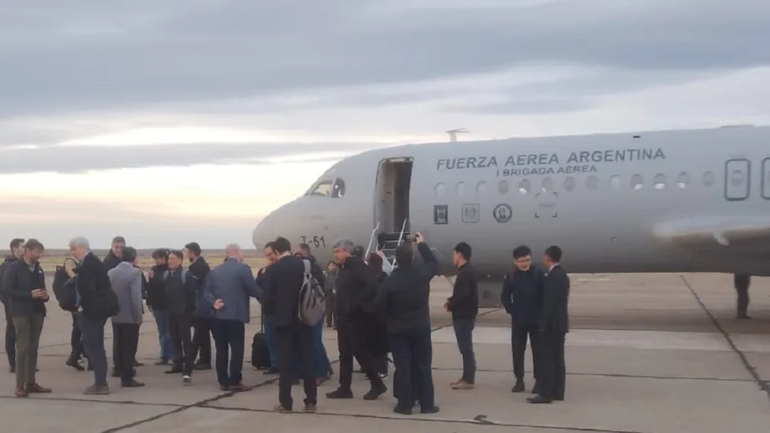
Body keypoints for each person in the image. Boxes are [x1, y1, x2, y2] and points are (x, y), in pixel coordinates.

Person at [370, 233, 439, 415]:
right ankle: (427, 404)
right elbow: (433, 263)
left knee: (403, 367)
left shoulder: (391, 281)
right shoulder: (422, 275)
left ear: (396, 260)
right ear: (413, 258)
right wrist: (422, 244)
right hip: (421, 327)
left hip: (398, 330)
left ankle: (405, 404)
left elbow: (377, 305)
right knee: (423, 366)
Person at [326, 239, 387, 402]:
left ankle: (377, 383)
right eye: (335, 252)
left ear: (347, 251)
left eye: (338, 251)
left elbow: (371, 286)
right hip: (344, 318)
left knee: (360, 352)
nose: (335, 255)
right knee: (344, 353)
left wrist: (355, 305)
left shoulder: (357, 266)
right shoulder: (344, 268)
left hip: (355, 319)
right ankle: (344, 388)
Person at [262, 236, 317, 413]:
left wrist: (272, 313)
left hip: (283, 322)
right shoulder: (305, 264)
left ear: (276, 252)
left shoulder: (273, 269)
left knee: (285, 365)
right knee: (308, 361)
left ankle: (286, 403)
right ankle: (310, 402)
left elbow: (266, 298)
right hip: (305, 319)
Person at [204, 243, 262, 391]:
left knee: (221, 349)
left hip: (218, 316)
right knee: (237, 349)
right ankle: (235, 380)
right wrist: (268, 298)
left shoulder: (215, 270)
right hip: (235, 316)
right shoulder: (243, 269)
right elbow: (253, 289)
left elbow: (206, 292)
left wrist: (214, 302)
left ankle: (223, 380)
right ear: (236, 252)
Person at [71, 235, 119, 395]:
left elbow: (88, 290)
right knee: (92, 345)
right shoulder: (89, 262)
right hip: (95, 310)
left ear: (82, 247)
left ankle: (101, 383)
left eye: (73, 248)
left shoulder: (89, 264)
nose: (72, 252)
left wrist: (81, 307)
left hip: (93, 311)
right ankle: (100, 381)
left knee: (94, 346)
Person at [3, 239, 51, 398]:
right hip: (21, 312)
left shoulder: (38, 269)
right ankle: (20, 385)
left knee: (33, 347)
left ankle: (31, 382)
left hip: (37, 311)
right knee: (23, 348)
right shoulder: (14, 268)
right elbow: (7, 290)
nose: (39, 256)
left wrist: (45, 296)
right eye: (37, 252)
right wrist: (28, 295)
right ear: (28, 251)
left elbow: (42, 288)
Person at [501, 245, 545, 394]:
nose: (525, 263)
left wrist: (541, 314)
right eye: (521, 261)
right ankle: (519, 380)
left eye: (527, 260)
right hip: (519, 321)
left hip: (536, 321)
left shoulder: (538, 273)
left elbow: (545, 296)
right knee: (517, 352)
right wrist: (512, 311)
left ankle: (539, 381)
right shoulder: (512, 276)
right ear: (515, 262)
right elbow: (505, 297)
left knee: (538, 352)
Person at [528, 246, 569, 404]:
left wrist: (542, 324)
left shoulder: (551, 277)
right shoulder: (563, 274)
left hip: (551, 325)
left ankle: (546, 393)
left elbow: (549, 303)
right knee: (559, 359)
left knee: (548, 360)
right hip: (560, 324)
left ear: (547, 258)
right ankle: (558, 391)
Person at [295, 244, 333, 384]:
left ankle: (321, 372)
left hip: (313, 309)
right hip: (311, 308)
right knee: (314, 341)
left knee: (314, 342)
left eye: (297, 254)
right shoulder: (312, 267)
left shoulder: (311, 269)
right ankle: (326, 367)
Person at [107, 247, 144, 388]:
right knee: (129, 347)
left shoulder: (111, 272)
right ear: (134, 258)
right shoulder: (134, 273)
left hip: (116, 314)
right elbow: (135, 297)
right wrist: (138, 316)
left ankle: (119, 369)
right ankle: (127, 377)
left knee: (119, 344)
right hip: (130, 315)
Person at [446, 242, 478, 391]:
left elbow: (463, 295)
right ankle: (466, 376)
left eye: (454, 254)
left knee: (466, 349)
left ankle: (469, 379)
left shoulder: (465, 273)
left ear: (459, 255)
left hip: (463, 316)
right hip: (465, 315)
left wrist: (451, 304)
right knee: (465, 348)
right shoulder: (467, 271)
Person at [163, 250, 196, 385]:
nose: (170, 261)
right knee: (174, 339)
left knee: (186, 341)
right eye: (169, 258)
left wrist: (189, 312)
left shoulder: (185, 275)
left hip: (183, 313)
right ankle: (178, 363)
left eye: (173, 258)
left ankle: (187, 369)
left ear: (180, 260)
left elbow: (192, 295)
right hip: (171, 313)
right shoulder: (166, 275)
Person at [185, 242, 212, 370]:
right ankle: (202, 358)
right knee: (201, 333)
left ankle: (204, 359)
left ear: (192, 252)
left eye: (187, 252)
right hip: (200, 303)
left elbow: (197, 285)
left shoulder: (199, 266)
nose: (186, 254)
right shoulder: (197, 265)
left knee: (201, 333)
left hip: (201, 304)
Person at [146, 249, 175, 365]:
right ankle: (164, 355)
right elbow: (151, 288)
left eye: (157, 258)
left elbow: (166, 284)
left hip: (167, 304)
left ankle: (172, 355)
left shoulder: (169, 270)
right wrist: (149, 301)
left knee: (169, 332)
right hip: (157, 304)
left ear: (164, 258)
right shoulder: (154, 269)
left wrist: (154, 278)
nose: (155, 261)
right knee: (162, 331)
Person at [0, 238, 24, 373]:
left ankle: (24, 361)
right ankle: (13, 362)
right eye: (22, 246)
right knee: (12, 332)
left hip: (24, 304)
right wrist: (7, 301)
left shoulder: (24, 264)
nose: (24, 249)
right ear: (14, 248)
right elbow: (3, 287)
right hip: (11, 304)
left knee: (23, 334)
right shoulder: (7, 265)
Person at [366, 253, 389, 380]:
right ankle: (382, 370)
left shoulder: (369, 278)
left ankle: (375, 370)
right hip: (383, 317)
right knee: (381, 347)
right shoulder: (385, 277)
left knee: (373, 346)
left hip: (372, 317)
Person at [258, 242, 280, 374]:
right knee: (271, 338)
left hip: (280, 309)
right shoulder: (264, 270)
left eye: (271, 254)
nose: (269, 257)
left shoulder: (282, 268)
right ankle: (275, 363)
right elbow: (257, 287)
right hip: (268, 310)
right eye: (267, 255)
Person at [324, 261, 338, 329]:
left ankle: (335, 323)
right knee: (329, 309)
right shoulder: (326, 275)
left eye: (333, 265)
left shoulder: (337, 274)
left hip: (335, 294)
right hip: (328, 293)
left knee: (335, 309)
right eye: (330, 265)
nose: (332, 266)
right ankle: (328, 322)